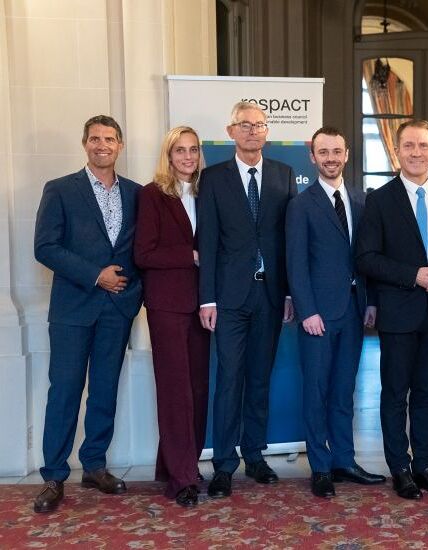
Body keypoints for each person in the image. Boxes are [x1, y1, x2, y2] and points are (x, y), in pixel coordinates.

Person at [32, 115, 142, 513]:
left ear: (120, 145)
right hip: (73, 309)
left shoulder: (136, 193)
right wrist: (95, 275)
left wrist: (134, 293)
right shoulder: (61, 190)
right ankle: (53, 476)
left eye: (110, 139)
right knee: (64, 392)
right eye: (95, 138)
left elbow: (140, 252)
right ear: (85, 144)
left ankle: (94, 465)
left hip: (118, 310)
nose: (102, 145)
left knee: (104, 391)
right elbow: (44, 246)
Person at [355, 119, 428, 500]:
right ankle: (399, 469)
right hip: (399, 312)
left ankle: (425, 468)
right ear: (396, 151)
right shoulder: (380, 200)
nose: (416, 152)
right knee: (395, 394)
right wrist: (413, 275)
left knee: (426, 395)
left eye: (423, 146)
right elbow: (366, 258)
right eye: (409, 146)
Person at [197, 101, 296, 498]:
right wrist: (207, 299)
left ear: (267, 131)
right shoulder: (213, 178)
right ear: (231, 131)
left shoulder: (284, 174)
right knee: (229, 381)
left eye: (259, 125)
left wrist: (289, 291)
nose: (252, 131)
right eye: (245, 125)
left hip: (270, 295)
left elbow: (288, 241)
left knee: (259, 379)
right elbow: (206, 240)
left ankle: (254, 456)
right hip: (229, 297)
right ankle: (224, 464)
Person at [286, 127, 385, 498]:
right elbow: (295, 263)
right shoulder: (301, 204)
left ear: (347, 155)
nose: (330, 158)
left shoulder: (362, 201)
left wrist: (371, 300)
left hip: (355, 311)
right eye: (323, 152)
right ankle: (321, 466)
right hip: (318, 316)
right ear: (313, 157)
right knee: (316, 391)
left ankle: (345, 459)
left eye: (336, 151)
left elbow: (368, 257)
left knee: (345, 391)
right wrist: (307, 311)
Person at [134, 126, 210, 507]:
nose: (187, 157)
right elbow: (143, 254)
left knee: (197, 390)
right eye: (179, 150)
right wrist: (191, 256)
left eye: (193, 150)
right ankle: (182, 479)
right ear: (168, 155)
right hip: (166, 305)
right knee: (175, 390)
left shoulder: (205, 191)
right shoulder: (152, 195)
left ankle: (180, 465)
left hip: (204, 305)